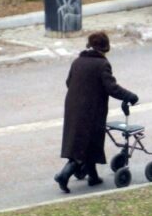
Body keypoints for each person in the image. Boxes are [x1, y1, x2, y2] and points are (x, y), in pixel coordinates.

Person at [54, 31, 138, 193]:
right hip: (90, 110)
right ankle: (63, 175)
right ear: (104, 48)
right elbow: (111, 88)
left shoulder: (77, 61)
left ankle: (93, 177)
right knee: (84, 144)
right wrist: (130, 96)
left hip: (73, 107)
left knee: (85, 142)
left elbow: (69, 82)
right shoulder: (102, 64)